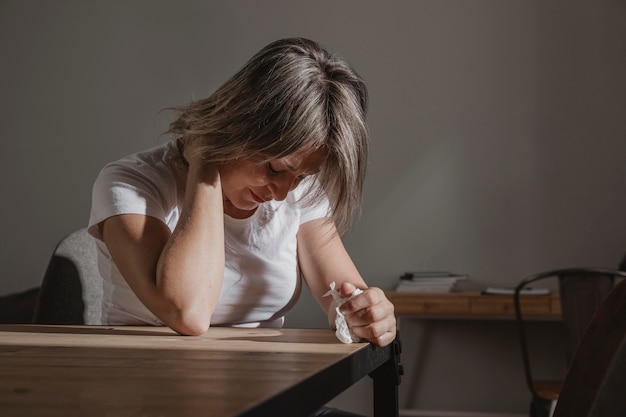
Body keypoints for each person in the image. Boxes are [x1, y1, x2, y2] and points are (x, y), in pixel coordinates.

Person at [87, 38, 396, 354]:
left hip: (268, 390)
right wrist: (204, 163)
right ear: (236, 126)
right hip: (149, 388)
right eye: (275, 169)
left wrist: (368, 313)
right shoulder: (131, 183)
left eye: (302, 175)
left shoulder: (300, 194)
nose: (282, 193)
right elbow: (188, 314)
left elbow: (346, 299)